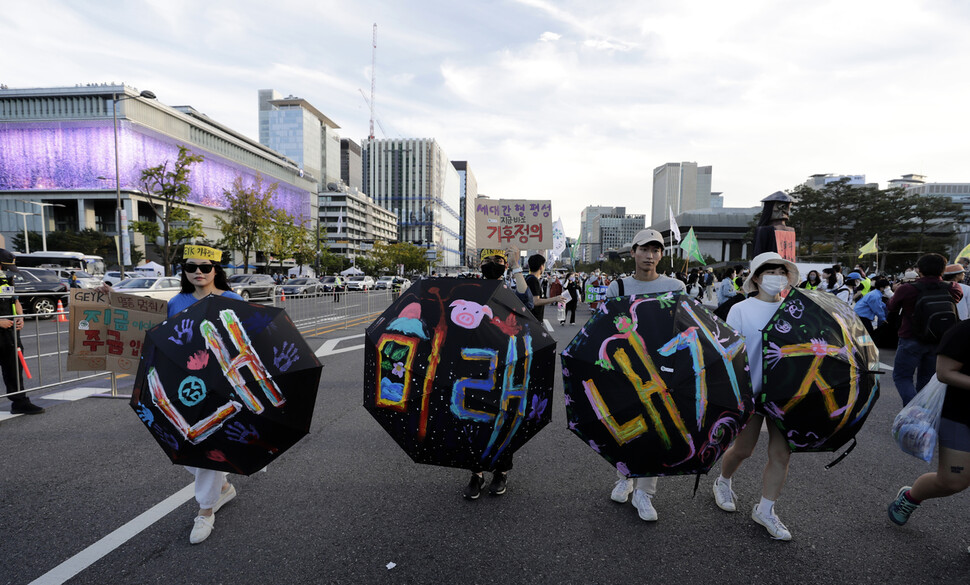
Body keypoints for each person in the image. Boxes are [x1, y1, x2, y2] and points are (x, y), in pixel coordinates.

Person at [712, 251, 800, 541]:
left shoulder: (795, 308)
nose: (777, 276)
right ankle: (723, 481)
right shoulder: (741, 309)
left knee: (781, 453)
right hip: (750, 392)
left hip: (785, 394)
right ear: (757, 277)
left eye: (782, 271)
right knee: (744, 449)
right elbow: (730, 351)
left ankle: (765, 509)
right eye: (770, 271)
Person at [604, 229, 686, 522]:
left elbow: (684, 325)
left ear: (661, 255)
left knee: (656, 426)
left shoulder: (676, 285)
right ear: (633, 252)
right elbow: (606, 326)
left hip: (663, 368)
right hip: (625, 367)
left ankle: (645, 493)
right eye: (644, 250)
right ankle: (624, 477)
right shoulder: (619, 287)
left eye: (656, 250)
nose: (650, 256)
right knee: (626, 424)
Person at [463, 247, 534, 500]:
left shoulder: (510, 293)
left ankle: (502, 471)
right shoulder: (469, 291)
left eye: (498, 260)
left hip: (506, 364)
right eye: (488, 260)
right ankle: (476, 473)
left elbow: (529, 302)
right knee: (473, 419)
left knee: (504, 417)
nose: (493, 263)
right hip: (473, 363)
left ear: (505, 265)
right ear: (480, 264)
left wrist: (516, 265)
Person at [888, 317, 970, 528]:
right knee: (952, 481)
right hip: (960, 416)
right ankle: (911, 497)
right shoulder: (964, 331)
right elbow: (944, 372)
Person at [888, 253, 962, 405]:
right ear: (943, 270)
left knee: (902, 377)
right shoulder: (953, 288)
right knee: (927, 380)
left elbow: (892, 306)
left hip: (910, 338)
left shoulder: (907, 289)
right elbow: (958, 297)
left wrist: (896, 290)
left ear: (919, 270)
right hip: (938, 340)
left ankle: (913, 411)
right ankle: (924, 414)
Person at [0, 249, 43, 415]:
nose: (6, 269)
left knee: (14, 369)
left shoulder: (6, 278)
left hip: (10, 333)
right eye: (4, 265)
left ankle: (19, 402)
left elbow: (14, 300)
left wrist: (21, 317)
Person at [524, 254, 567, 323]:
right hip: (534, 320)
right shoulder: (533, 280)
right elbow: (535, 301)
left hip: (531, 319)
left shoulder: (529, 278)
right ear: (541, 267)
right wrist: (555, 299)